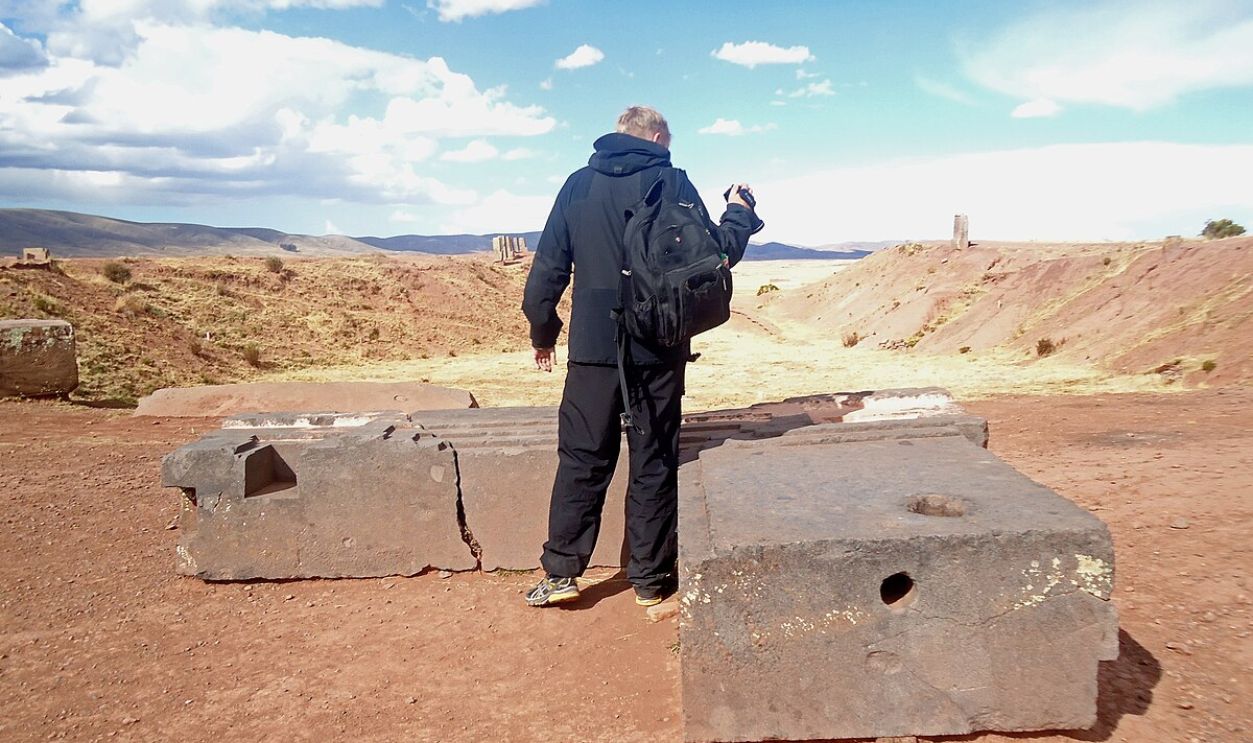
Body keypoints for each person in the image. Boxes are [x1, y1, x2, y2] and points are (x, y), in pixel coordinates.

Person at [521, 105, 762, 608]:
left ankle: (563, 572)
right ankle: (651, 584)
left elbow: (548, 268)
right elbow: (716, 254)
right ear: (656, 136)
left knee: (582, 458)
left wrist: (543, 332)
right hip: (657, 342)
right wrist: (739, 213)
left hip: (591, 347)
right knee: (653, 459)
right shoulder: (671, 181)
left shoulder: (577, 185)